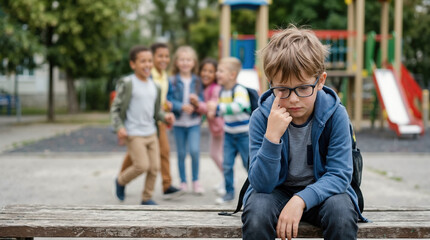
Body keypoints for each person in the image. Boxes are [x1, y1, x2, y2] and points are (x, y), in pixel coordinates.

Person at [241, 26, 365, 240]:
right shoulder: (261, 117)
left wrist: (300, 200)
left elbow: (339, 175)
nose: (293, 99)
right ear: (270, 83)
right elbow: (261, 184)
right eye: (282, 89)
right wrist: (272, 137)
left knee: (341, 211)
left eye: (303, 88)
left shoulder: (336, 115)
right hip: (276, 192)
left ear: (321, 81)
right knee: (257, 211)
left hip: (324, 191)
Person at [118, 43, 183, 200]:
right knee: (140, 162)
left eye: (166, 56)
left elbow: (160, 103)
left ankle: (153, 193)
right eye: (159, 56)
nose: (163, 59)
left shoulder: (159, 80)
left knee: (158, 160)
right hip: (137, 127)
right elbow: (120, 106)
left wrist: (166, 111)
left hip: (154, 124)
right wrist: (119, 127)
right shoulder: (137, 79)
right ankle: (121, 180)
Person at [207, 57, 250, 204]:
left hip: (244, 134)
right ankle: (229, 192)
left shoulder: (239, 90)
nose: (217, 74)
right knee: (227, 164)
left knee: (248, 163)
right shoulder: (221, 92)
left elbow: (239, 106)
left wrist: (218, 108)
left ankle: (254, 190)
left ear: (232, 75)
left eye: (220, 71)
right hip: (229, 134)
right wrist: (216, 112)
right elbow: (225, 110)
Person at [167, 46, 205, 194]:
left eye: (188, 60)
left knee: (195, 151)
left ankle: (195, 181)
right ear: (176, 62)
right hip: (178, 123)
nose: (185, 63)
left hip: (193, 122)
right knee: (181, 153)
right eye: (182, 60)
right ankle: (183, 182)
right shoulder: (173, 80)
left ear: (193, 62)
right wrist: (181, 106)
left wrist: (196, 101)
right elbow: (168, 99)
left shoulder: (197, 81)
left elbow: (202, 98)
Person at [193, 58, 225, 195]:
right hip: (215, 129)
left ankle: (228, 181)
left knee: (221, 156)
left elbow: (211, 108)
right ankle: (226, 179)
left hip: (222, 128)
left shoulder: (216, 89)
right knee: (213, 154)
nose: (206, 74)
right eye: (204, 70)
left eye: (210, 71)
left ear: (215, 74)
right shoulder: (204, 88)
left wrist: (196, 105)